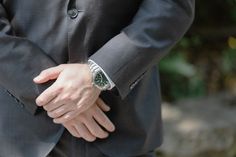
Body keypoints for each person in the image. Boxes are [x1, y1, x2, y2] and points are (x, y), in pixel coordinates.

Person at [0, 0, 195, 156]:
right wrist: (55, 92)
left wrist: (99, 74)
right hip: (21, 136)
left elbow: (171, 6)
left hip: (123, 129)